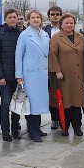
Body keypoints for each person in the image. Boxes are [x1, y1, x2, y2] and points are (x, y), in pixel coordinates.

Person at [49, 13, 84, 137]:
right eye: (66, 23)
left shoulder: (81, 37)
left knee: (76, 103)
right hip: (63, 77)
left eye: (71, 23)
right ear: (61, 24)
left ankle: (77, 127)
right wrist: (57, 71)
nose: (69, 25)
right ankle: (64, 127)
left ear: (74, 24)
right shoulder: (56, 38)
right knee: (64, 103)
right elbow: (52, 55)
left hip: (78, 76)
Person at [15, 10, 50, 142]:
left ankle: (37, 129)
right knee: (31, 104)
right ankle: (33, 131)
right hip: (30, 74)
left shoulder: (45, 34)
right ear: (28, 20)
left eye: (38, 17)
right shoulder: (25, 35)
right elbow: (18, 56)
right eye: (33, 18)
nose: (36, 20)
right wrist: (19, 75)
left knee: (39, 103)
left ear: (41, 19)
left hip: (42, 74)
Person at [0, 8, 22, 142]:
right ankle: (5, 131)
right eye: (10, 17)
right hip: (5, 78)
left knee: (17, 105)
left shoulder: (22, 34)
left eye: (15, 17)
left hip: (19, 77)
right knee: (5, 104)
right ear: (5, 19)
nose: (13, 19)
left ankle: (15, 128)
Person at [43, 6, 62, 130]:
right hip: (48, 68)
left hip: (64, 66)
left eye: (57, 14)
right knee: (52, 94)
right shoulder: (44, 30)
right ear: (49, 16)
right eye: (52, 14)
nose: (55, 16)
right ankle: (54, 118)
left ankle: (63, 118)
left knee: (63, 94)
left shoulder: (65, 29)